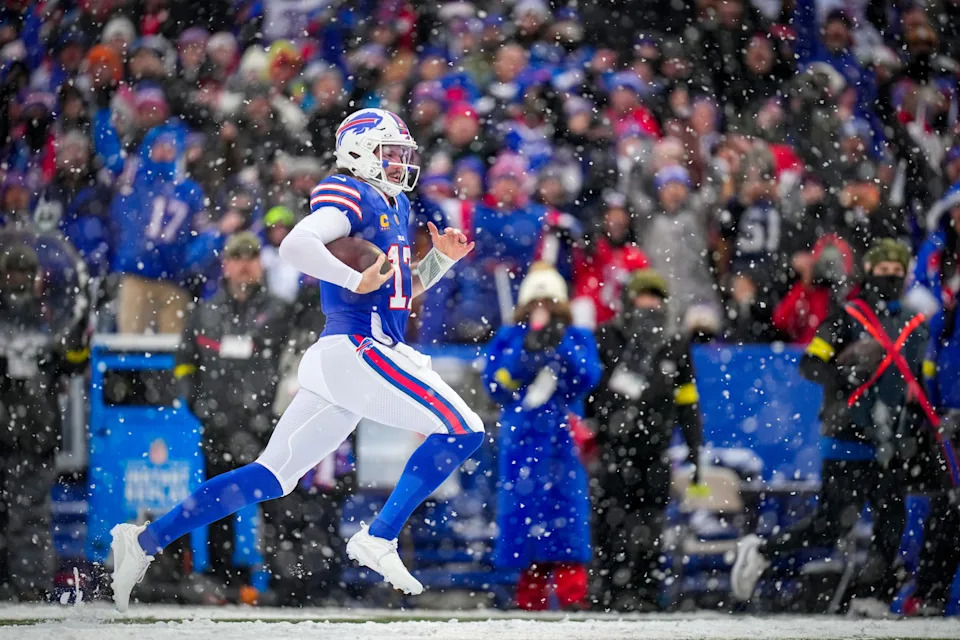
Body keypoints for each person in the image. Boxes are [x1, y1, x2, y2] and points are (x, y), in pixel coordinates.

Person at [109, 108, 482, 611]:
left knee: (270, 476)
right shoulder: (350, 191)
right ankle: (380, 537)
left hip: (347, 354)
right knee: (463, 429)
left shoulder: (395, 206)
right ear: (358, 151)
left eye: (401, 156)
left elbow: (400, 285)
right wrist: (352, 279)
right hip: (358, 347)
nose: (398, 164)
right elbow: (295, 244)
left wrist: (440, 262)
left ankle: (144, 542)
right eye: (389, 153)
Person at [732, 239, 925, 611]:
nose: (889, 278)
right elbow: (811, 364)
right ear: (868, 273)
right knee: (832, 525)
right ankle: (760, 550)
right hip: (846, 438)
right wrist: (846, 373)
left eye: (897, 272)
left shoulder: (913, 325)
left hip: (891, 440)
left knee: (891, 524)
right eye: (882, 271)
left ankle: (873, 598)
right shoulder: (847, 317)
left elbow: (921, 377)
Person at [174, 231, 292, 599]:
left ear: (260, 263)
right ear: (225, 264)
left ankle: (278, 584)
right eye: (237, 258)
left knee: (275, 508)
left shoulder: (278, 310)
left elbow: (290, 367)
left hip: (266, 429)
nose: (244, 266)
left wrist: (267, 415)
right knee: (216, 507)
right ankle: (222, 580)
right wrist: (202, 410)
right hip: (218, 427)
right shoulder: (205, 312)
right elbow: (183, 366)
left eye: (251, 258)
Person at [484, 264, 601, 610]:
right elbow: (496, 385)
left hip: (562, 442)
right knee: (526, 529)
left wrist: (559, 347)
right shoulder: (509, 338)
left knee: (565, 525)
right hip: (522, 444)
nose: (543, 311)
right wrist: (524, 356)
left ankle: (572, 597)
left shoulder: (577, 337)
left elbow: (587, 378)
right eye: (538, 304)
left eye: (550, 304)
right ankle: (529, 600)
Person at [588, 268, 703, 611]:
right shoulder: (606, 337)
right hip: (614, 451)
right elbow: (594, 395)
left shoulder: (675, 344)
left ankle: (646, 594)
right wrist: (610, 417)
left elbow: (687, 400)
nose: (649, 305)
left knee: (651, 528)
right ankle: (608, 593)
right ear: (628, 301)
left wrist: (696, 447)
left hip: (656, 452)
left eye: (656, 298)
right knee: (611, 526)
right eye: (643, 297)